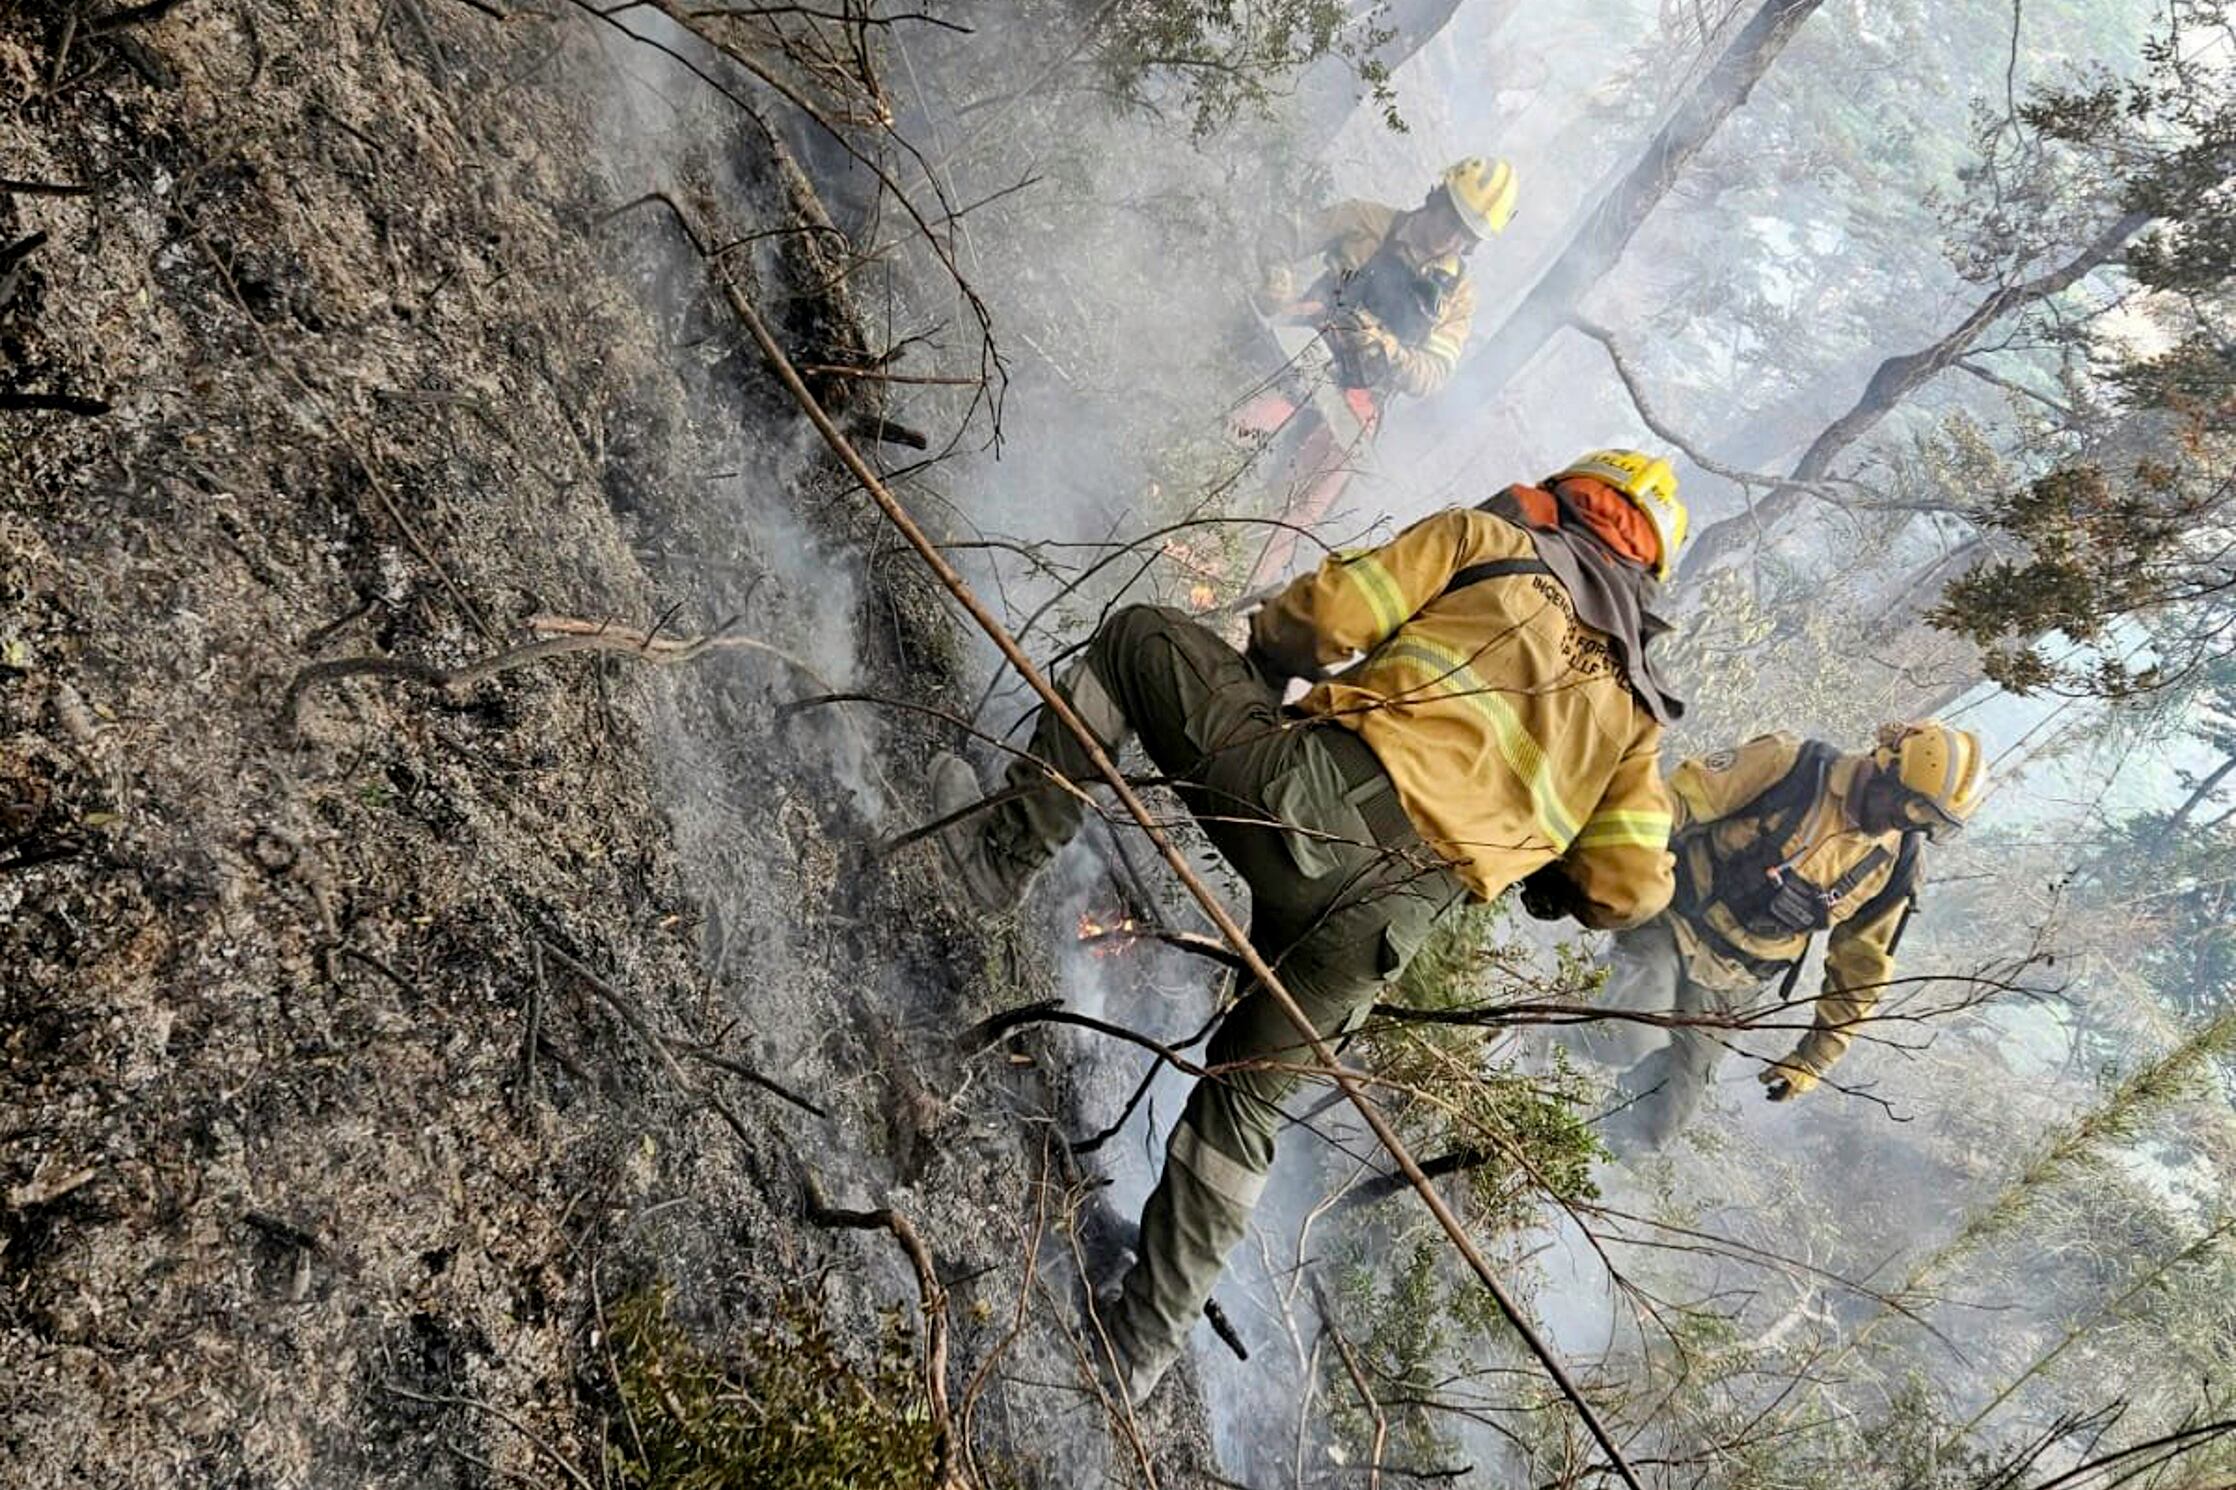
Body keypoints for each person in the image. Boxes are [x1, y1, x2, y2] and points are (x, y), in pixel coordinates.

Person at [925, 449, 1688, 1403]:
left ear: (1571, 500)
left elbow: (1322, 621)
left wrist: (1263, 676)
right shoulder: (1635, 720)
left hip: (1309, 805)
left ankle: (990, 863)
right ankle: (1138, 1346)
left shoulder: (1490, 543)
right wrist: (1552, 880)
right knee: (1244, 1105)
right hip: (1387, 930)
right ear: (1647, 575)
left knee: (1136, 641)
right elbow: (1624, 888)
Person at [1564, 722, 1988, 1153]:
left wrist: (1815, 1058)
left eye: (1923, 822)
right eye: (1909, 808)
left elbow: (1861, 971)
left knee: (1660, 1117)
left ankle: (1583, 1170)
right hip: (1671, 922)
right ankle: (1529, 1046)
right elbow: (1673, 802)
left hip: (1737, 981)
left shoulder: (1894, 867)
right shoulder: (1791, 765)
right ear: (1885, 767)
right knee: (1623, 1031)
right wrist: (1596, 864)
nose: (1902, 824)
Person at [1236, 158, 1517, 586]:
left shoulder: (1457, 298)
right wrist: (1278, 273)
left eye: (1466, 234)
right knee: (1239, 433)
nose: (1451, 236)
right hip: (1293, 358)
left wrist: (1386, 348)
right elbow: (1284, 232)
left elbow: (1433, 373)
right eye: (1450, 217)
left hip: (1354, 407)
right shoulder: (1367, 220)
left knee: (1296, 512)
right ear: (1436, 196)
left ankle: (1232, 584)